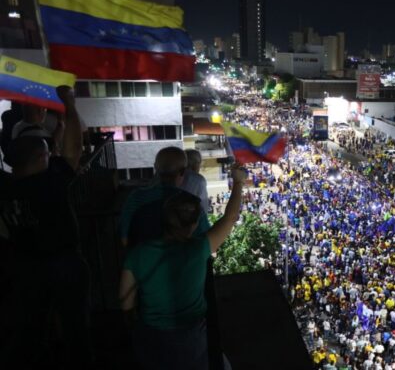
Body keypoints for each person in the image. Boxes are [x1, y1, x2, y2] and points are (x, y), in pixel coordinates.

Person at [119, 166, 248, 370]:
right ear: (195, 223)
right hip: (190, 336)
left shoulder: (138, 253)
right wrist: (239, 182)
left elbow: (125, 303)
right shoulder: (198, 250)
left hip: (150, 337)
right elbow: (230, 218)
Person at [0, 87, 91, 368]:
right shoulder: (49, 183)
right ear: (41, 158)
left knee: (31, 326)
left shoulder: (5, 188)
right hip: (63, 262)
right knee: (76, 325)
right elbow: (74, 151)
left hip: (25, 265)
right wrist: (70, 105)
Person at [119, 146, 210, 247]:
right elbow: (206, 241)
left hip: (141, 259)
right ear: (183, 171)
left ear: (155, 168)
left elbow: (124, 238)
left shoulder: (134, 198)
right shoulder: (192, 204)